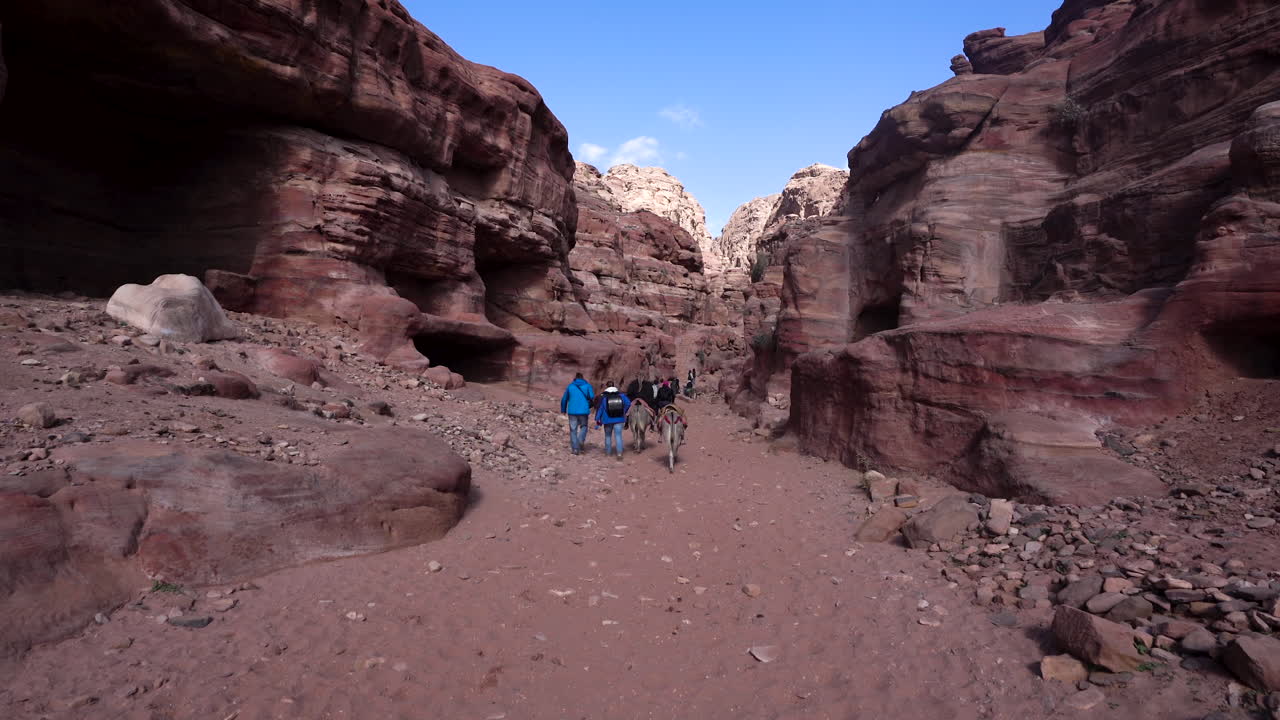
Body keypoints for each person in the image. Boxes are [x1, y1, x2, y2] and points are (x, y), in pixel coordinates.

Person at [559, 372, 594, 456]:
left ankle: (575, 449)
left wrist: (563, 410)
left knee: (573, 430)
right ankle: (581, 440)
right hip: (584, 410)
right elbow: (592, 397)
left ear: (575, 378)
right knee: (584, 426)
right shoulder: (588, 386)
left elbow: (564, 399)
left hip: (572, 411)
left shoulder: (570, 386)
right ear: (582, 378)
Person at [595, 382, 631, 459]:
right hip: (619, 419)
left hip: (607, 420)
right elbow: (628, 403)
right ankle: (619, 454)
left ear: (607, 386)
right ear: (614, 386)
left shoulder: (604, 397)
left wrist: (597, 419)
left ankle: (608, 453)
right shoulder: (622, 395)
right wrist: (623, 411)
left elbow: (600, 409)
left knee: (608, 436)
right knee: (618, 436)